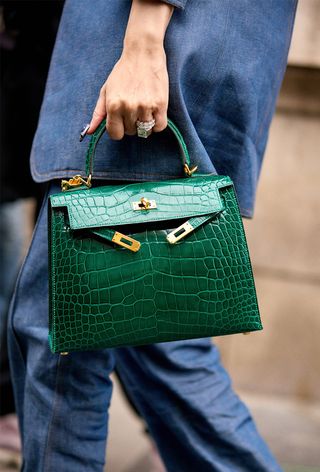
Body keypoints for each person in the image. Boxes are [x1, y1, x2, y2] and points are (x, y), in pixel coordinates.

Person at [7, 0, 297, 470]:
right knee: (160, 346)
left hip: (159, 48)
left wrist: (144, 38)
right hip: (209, 45)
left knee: (60, 333)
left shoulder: (147, 40)